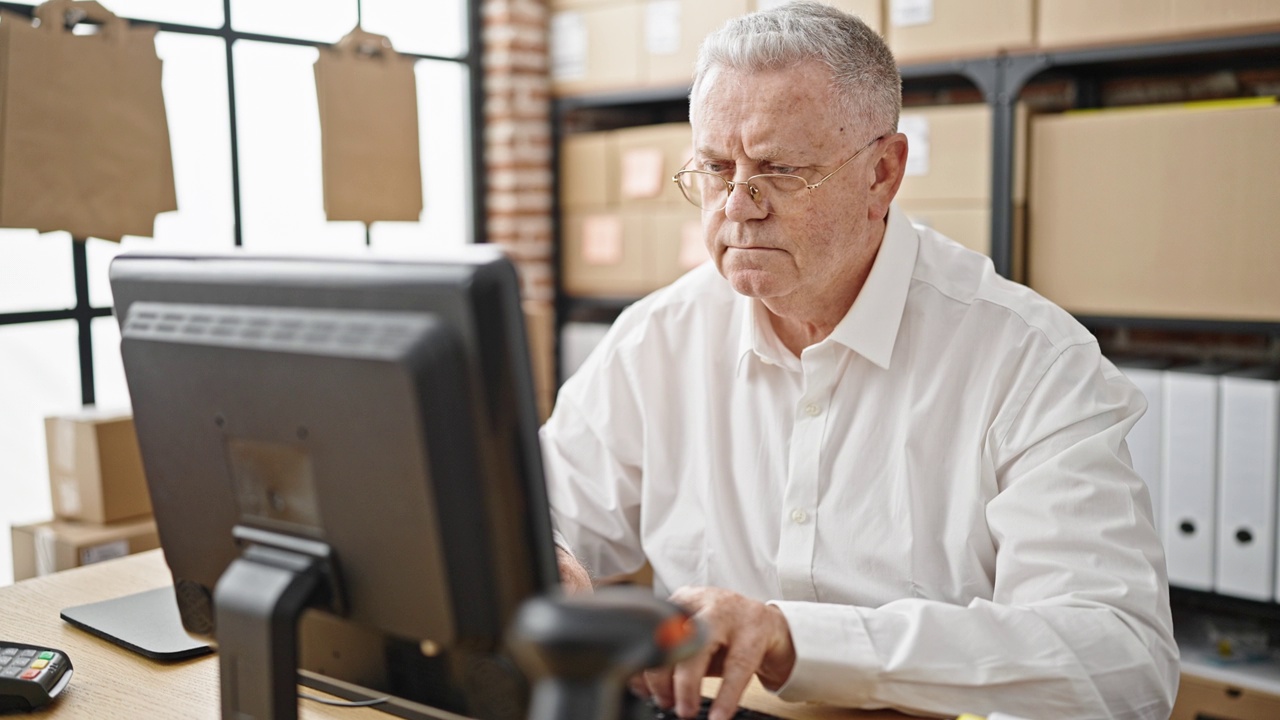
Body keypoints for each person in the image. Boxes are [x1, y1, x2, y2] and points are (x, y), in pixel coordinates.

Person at [539, 3, 1178, 719]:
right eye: (717, 168)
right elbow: (542, 505)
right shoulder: (658, 337)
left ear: (883, 172)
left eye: (779, 170)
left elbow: (1122, 657)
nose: (738, 206)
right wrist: (547, 562)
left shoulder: (1028, 359)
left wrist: (792, 640)